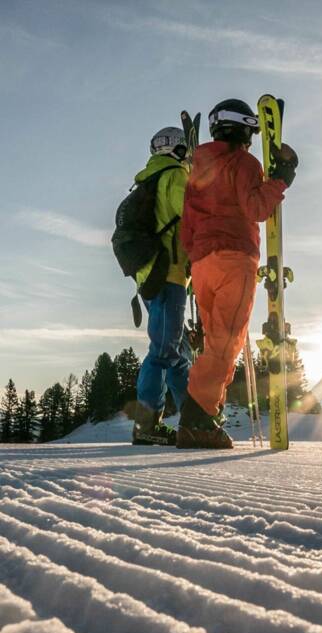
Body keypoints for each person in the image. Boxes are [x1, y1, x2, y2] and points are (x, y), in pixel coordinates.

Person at [177, 98, 297, 449]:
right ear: (244, 128)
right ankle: (197, 419)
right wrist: (281, 179)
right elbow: (257, 207)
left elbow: (188, 223)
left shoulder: (197, 167)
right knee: (225, 341)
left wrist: (191, 261)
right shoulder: (244, 162)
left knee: (215, 339)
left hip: (201, 263)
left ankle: (203, 412)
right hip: (234, 256)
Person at [132, 126, 192, 446]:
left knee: (179, 352)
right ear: (179, 151)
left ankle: (195, 418)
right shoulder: (174, 177)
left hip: (150, 277)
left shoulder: (149, 178)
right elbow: (193, 217)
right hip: (168, 275)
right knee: (163, 352)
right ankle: (147, 425)